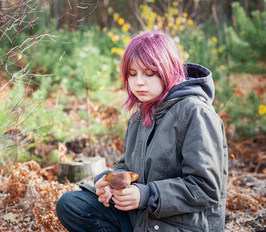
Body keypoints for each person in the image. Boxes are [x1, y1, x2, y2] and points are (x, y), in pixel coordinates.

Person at [56, 31, 228, 232]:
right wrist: (110, 181)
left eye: (149, 74)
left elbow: (205, 188)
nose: (139, 82)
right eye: (132, 73)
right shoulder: (141, 114)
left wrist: (146, 195)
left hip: (180, 225)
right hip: (142, 218)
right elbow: (128, 166)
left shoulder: (196, 113)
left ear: (168, 71)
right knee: (72, 204)